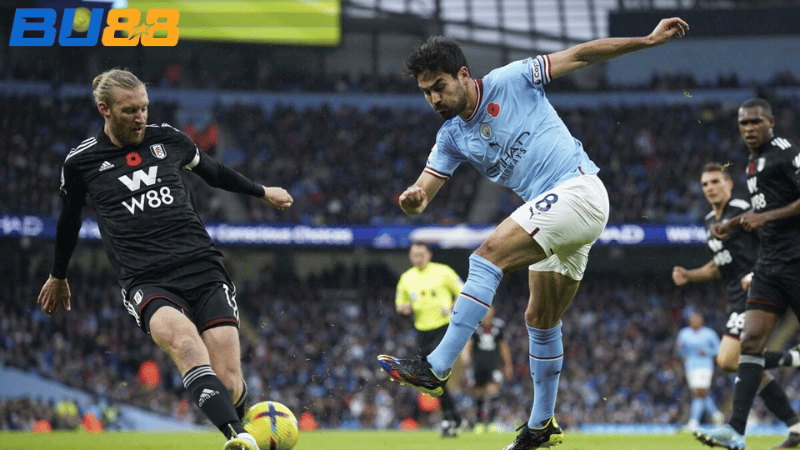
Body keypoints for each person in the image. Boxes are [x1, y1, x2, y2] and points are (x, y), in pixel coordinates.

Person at [376, 17, 690, 450]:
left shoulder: (511, 78)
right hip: (555, 215)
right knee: (540, 319)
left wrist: (648, 40)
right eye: (426, 92)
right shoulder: (450, 137)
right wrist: (414, 198)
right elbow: (424, 190)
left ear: (464, 75)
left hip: (578, 189)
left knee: (486, 255)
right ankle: (541, 426)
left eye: (440, 86)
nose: (434, 98)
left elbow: (579, 54)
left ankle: (437, 366)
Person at [36, 69, 293, 450]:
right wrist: (58, 274)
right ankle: (236, 436)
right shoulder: (81, 163)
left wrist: (261, 191)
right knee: (187, 347)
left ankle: (239, 431)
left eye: (144, 108)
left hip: (203, 268)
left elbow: (214, 172)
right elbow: (69, 220)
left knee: (229, 379)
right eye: (129, 111)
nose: (140, 117)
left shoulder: (168, 139)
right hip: (146, 278)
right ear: (104, 110)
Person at [695, 98, 800, 450]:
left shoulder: (785, 152)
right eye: (743, 124)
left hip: (796, 261)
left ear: (770, 122)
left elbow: (769, 213)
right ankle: (736, 431)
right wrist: (735, 224)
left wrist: (761, 219)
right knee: (750, 344)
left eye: (755, 122)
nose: (749, 129)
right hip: (770, 266)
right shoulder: (753, 164)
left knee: (742, 351)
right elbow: (761, 211)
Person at [673, 163, 800, 446]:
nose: (710, 188)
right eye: (705, 184)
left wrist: (759, 273)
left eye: (716, 181)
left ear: (729, 184)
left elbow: (774, 240)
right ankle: (795, 426)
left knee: (728, 360)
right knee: (752, 368)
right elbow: (719, 264)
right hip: (734, 298)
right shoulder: (710, 221)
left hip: (757, 292)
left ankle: (793, 359)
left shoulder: (743, 211)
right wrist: (690, 275)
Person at [395, 242, 465, 437]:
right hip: (422, 332)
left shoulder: (443, 272)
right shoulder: (406, 278)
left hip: (443, 328)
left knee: (436, 370)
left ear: (429, 254)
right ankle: (453, 417)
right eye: (414, 254)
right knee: (434, 380)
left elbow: (463, 290)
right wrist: (404, 310)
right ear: (410, 256)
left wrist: (453, 307)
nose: (418, 257)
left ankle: (448, 419)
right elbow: (400, 305)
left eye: (421, 253)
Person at [460, 305, 513, 433]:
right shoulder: (476, 326)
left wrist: (508, 364)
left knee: (493, 390)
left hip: (493, 365)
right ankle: (479, 423)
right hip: (478, 365)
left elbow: (503, 346)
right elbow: (469, 343)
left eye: (490, 310)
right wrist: (465, 354)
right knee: (478, 392)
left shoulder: (498, 326)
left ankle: (492, 422)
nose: (488, 313)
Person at [675, 311, 724, 432]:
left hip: (705, 366)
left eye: (696, 319)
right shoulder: (684, 333)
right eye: (692, 320)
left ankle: (693, 422)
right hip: (690, 366)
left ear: (701, 321)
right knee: (701, 394)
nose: (694, 322)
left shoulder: (709, 333)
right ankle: (716, 415)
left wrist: (707, 351)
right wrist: (679, 348)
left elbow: (719, 348)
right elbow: (679, 351)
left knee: (698, 392)